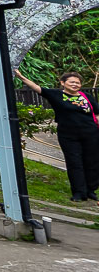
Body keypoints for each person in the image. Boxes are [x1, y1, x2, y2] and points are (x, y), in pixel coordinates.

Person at [14, 68, 99, 202]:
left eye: (77, 82)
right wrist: (21, 77)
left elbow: (97, 113)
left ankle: (91, 190)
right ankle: (78, 192)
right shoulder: (56, 95)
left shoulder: (86, 96)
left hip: (91, 133)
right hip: (68, 135)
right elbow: (37, 88)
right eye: (71, 82)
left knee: (92, 161)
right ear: (63, 83)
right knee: (74, 162)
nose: (75, 84)